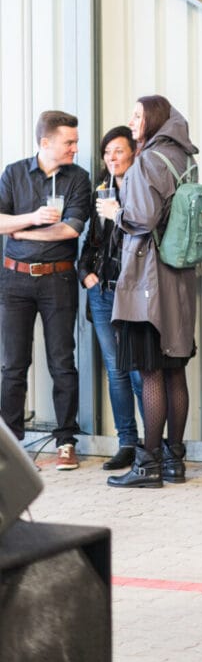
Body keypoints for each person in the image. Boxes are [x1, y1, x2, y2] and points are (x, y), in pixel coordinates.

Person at [103, 95, 199, 489]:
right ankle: (175, 461)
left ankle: (148, 466)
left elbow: (141, 219)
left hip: (148, 281)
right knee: (175, 370)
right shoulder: (186, 159)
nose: (132, 120)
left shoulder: (147, 161)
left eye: (138, 115)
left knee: (151, 372)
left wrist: (116, 213)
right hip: (179, 278)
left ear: (154, 119)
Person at [0, 110, 90, 469]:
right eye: (69, 142)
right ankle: (11, 448)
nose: (75, 147)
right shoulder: (14, 173)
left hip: (58, 279)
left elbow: (72, 229)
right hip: (15, 280)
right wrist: (31, 219)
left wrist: (20, 233)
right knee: (12, 365)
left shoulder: (78, 178)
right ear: (45, 142)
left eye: (75, 141)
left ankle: (66, 442)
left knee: (62, 362)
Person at [78, 125, 143, 470]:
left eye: (118, 151)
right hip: (101, 291)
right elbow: (92, 240)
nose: (112, 158)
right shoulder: (102, 191)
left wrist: (119, 212)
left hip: (131, 293)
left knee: (138, 370)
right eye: (107, 153)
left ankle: (151, 443)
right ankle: (127, 442)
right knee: (115, 369)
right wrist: (83, 271)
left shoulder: (142, 190)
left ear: (133, 152)